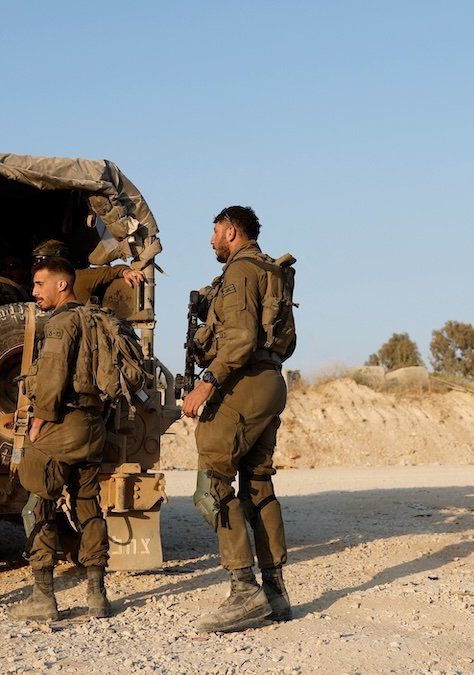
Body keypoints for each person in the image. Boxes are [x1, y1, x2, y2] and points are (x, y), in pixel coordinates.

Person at [182, 206, 295, 633]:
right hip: (270, 380)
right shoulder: (273, 271)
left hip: (241, 382)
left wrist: (208, 382)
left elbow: (242, 337)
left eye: (214, 232)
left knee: (210, 487)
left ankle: (244, 592)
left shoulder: (240, 271)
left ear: (231, 231)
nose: (210, 240)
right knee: (259, 484)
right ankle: (275, 592)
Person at [6, 257, 111, 622]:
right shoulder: (95, 318)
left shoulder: (60, 324)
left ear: (62, 285)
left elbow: (51, 377)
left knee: (38, 505)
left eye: (39, 284)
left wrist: (39, 421)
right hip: (93, 424)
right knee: (88, 505)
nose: (34, 291)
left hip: (61, 425)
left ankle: (43, 597)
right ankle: (98, 596)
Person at [31, 239, 144, 304]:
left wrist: (126, 272)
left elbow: (110, 272)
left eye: (44, 261)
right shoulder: (38, 284)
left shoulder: (80, 277)